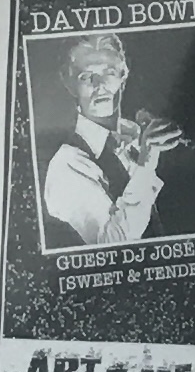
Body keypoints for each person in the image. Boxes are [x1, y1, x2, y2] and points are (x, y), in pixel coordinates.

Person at [39, 31, 176, 248]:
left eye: (109, 73)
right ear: (70, 84)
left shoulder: (136, 137)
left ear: (123, 76)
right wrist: (146, 162)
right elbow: (112, 246)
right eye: (86, 77)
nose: (99, 85)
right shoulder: (67, 165)